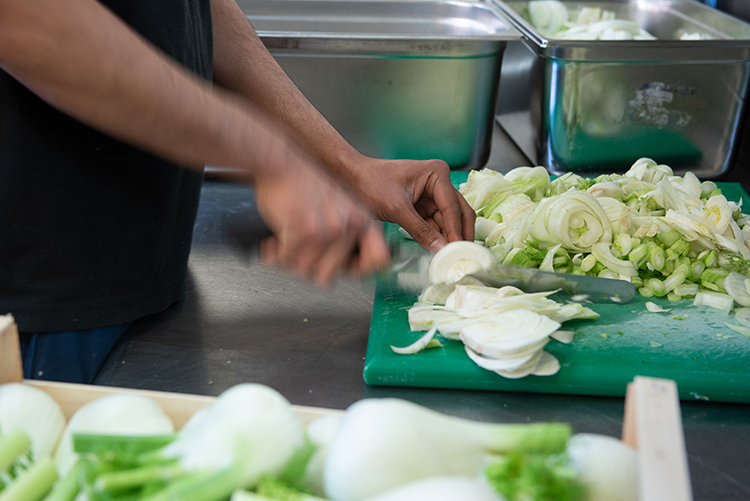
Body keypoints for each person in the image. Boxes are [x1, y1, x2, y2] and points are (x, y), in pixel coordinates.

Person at [0, 0, 475, 383]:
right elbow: (24, 17)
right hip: (38, 304)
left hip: (146, 269)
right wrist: (268, 157)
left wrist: (347, 167)